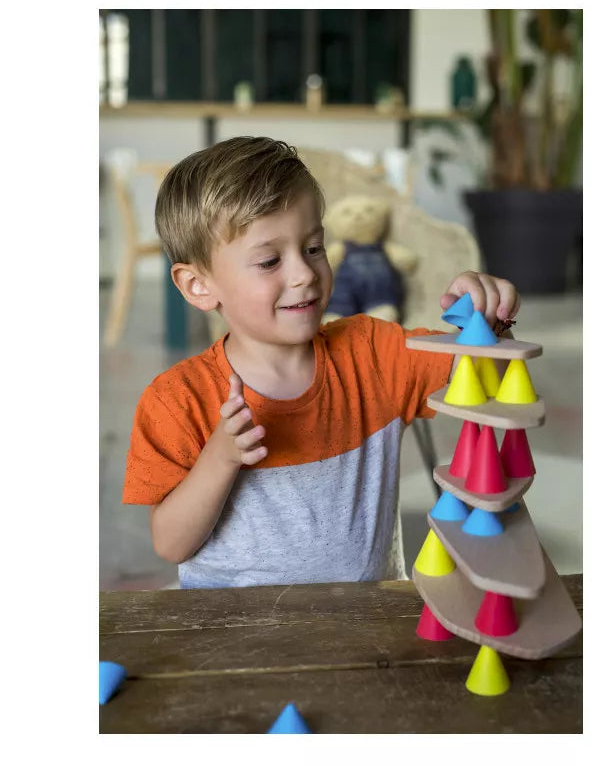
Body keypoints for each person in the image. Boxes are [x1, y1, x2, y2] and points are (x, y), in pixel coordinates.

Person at [122, 136, 521, 589]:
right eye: (270, 260)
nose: (305, 274)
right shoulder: (176, 401)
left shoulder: (374, 353)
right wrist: (220, 459)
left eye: (314, 248)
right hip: (233, 642)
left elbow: (490, 385)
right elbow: (171, 545)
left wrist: (489, 321)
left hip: (364, 631)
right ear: (197, 285)